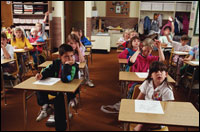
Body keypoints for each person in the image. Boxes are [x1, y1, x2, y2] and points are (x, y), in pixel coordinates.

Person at [35, 44, 79, 131]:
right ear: (60, 57)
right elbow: (47, 70)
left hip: (69, 92)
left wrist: (67, 66)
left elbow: (66, 79)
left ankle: (60, 127)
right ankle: (46, 106)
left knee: (59, 103)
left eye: (71, 56)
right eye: (66, 57)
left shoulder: (74, 66)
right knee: (39, 87)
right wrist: (41, 75)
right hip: (56, 88)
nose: (69, 59)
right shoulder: (56, 62)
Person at [133, 61, 174, 131]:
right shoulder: (147, 83)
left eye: (161, 71)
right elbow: (139, 99)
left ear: (166, 74)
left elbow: (167, 110)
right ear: (151, 75)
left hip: (159, 117)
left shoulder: (167, 90)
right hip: (145, 112)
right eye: (155, 72)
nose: (159, 73)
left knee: (141, 126)